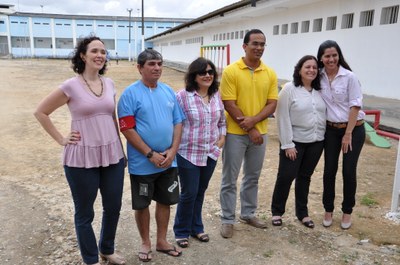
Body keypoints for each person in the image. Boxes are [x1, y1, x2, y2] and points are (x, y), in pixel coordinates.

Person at [34, 36, 126, 265]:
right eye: (94, 51)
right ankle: (90, 259)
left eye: (103, 52)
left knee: (113, 206)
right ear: (83, 55)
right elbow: (41, 112)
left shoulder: (110, 83)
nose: (100, 55)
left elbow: (111, 117)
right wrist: (61, 139)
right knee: (85, 212)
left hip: (111, 154)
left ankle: (107, 249)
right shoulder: (70, 86)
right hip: (81, 157)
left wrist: (121, 148)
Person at [117, 49, 185, 262]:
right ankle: (145, 242)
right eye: (151, 64)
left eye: (159, 64)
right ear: (140, 68)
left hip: (168, 161)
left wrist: (172, 150)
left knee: (165, 201)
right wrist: (149, 154)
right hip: (143, 163)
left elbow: (178, 122)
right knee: (143, 204)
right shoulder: (130, 94)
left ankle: (162, 241)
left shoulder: (168, 92)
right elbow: (127, 128)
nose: (157, 68)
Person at [219, 29, 278, 238]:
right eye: (255, 44)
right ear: (244, 46)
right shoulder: (231, 71)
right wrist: (250, 127)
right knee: (230, 177)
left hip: (260, 135)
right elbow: (229, 103)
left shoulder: (269, 73)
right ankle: (227, 218)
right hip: (236, 133)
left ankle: (248, 213)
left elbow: (272, 104)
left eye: (262, 44)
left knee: (252, 177)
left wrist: (254, 123)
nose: (259, 48)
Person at [173, 57, 226, 248]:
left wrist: (221, 140)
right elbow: (175, 123)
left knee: (200, 192)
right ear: (194, 76)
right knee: (189, 192)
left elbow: (222, 122)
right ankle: (181, 230)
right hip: (188, 153)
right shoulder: (182, 96)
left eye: (211, 72)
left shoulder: (216, 95)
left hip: (210, 152)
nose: (207, 75)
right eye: (202, 72)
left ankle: (196, 227)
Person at [270, 55, 326, 229]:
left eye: (314, 68)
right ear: (299, 69)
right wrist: (287, 144)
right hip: (295, 142)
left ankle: (302, 213)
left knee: (305, 177)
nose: (311, 70)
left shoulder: (320, 91)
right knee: (286, 176)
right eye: (307, 67)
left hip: (316, 142)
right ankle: (277, 212)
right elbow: (282, 116)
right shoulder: (289, 89)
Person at [317, 40, 365, 229]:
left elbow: (355, 105)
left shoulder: (349, 77)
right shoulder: (318, 76)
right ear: (321, 57)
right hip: (330, 130)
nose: (331, 59)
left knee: (348, 170)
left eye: (334, 55)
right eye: (327, 56)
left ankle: (347, 211)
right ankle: (328, 209)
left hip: (353, 130)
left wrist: (348, 133)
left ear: (339, 56)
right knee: (329, 170)